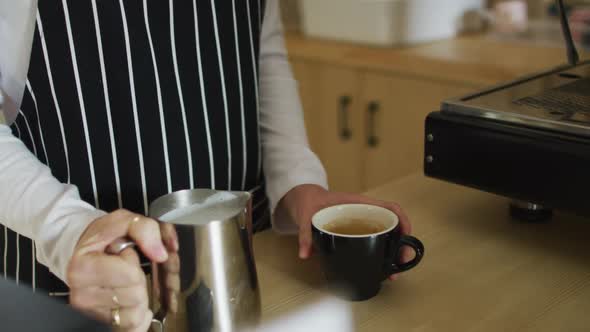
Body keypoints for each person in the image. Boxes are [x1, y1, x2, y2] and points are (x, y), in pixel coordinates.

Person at [0, 0, 413, 331]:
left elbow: (262, 55)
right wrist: (71, 228)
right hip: (80, 291)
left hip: (248, 277)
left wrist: (301, 187)